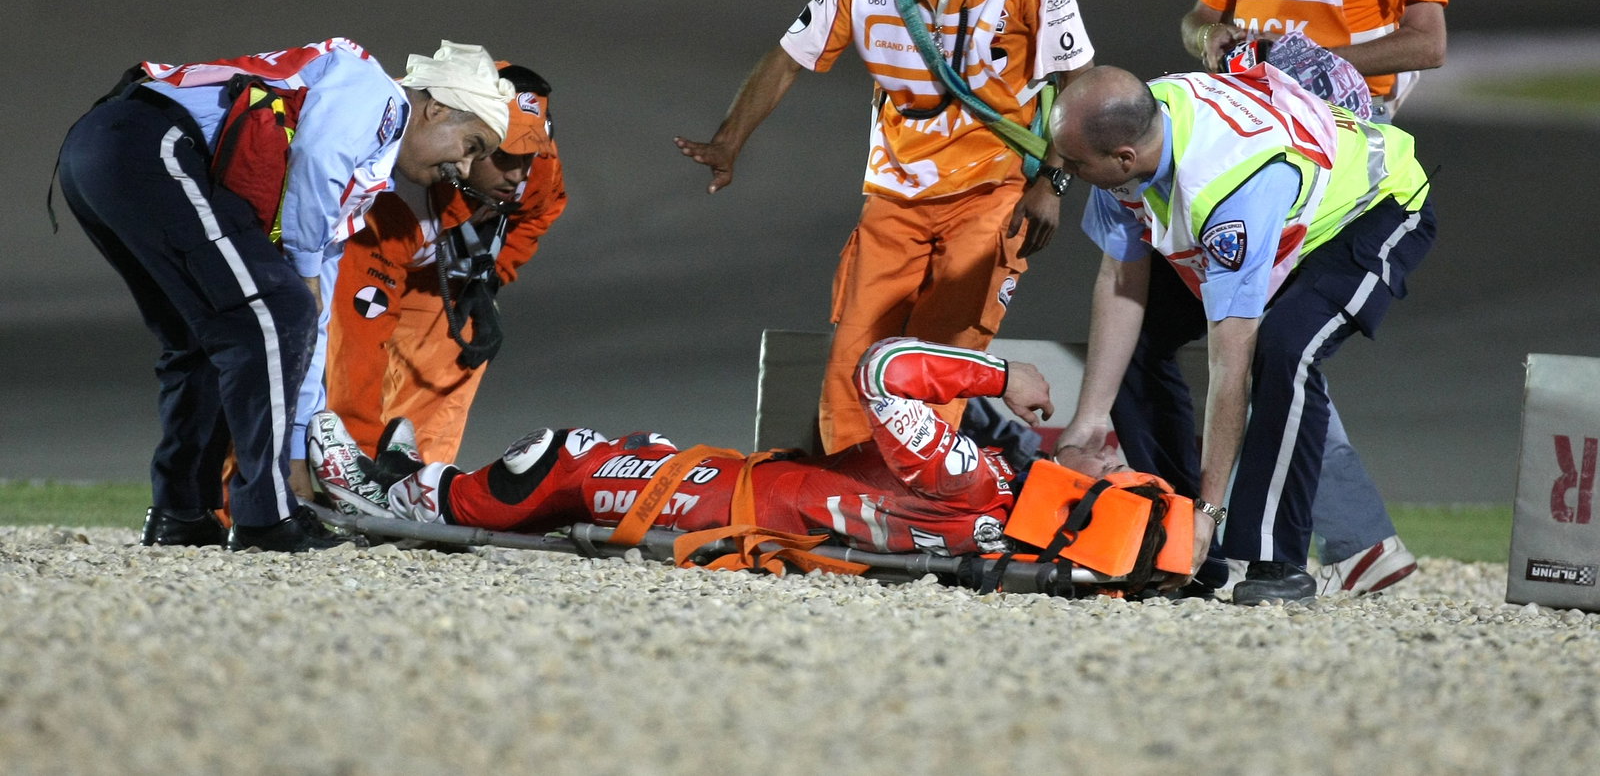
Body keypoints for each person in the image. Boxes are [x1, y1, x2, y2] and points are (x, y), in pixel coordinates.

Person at [675, 0, 1093, 455]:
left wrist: (1053, 182)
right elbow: (789, 56)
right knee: (856, 359)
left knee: (941, 352)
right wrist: (729, 141)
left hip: (991, 197)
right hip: (893, 198)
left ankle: (919, 499)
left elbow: (1081, 83)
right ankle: (846, 498)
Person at [1177, 0, 1449, 595]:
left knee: (1273, 344)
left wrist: (1322, 56)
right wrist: (1214, 38)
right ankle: (1358, 543)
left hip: (1337, 163)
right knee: (1255, 344)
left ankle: (1277, 546)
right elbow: (1195, 17)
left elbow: (1429, 43)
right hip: (1252, 148)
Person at [57, 37, 513, 552]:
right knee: (279, 308)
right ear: (435, 109)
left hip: (106, 152)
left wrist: (298, 452)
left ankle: (180, 512)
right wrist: (304, 277)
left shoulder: (359, 184)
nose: (468, 169)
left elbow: (313, 333)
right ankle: (263, 518)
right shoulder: (374, 92)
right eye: (472, 145)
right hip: (147, 143)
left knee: (209, 339)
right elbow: (317, 163)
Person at [311, 337, 1188, 591]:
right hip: (747, 489)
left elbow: (883, 372)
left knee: (561, 459)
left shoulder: (974, 482)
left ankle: (405, 495)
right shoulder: (1011, 531)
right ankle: (413, 483)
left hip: (726, 500)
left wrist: (1002, 373)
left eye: (1106, 472)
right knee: (599, 458)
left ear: (1090, 499)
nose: (1096, 456)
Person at [1046, 65, 1436, 605]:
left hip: (1369, 209)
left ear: (1122, 160)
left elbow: (1229, 365)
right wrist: (1089, 421)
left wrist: (1212, 509)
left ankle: (1276, 561)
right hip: (1278, 213)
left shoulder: (1226, 189)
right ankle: (1176, 542)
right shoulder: (1133, 122)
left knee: (1284, 351)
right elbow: (1120, 281)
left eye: (1071, 164)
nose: (1059, 172)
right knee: (1141, 341)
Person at [326, 62, 566, 464]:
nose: (519, 174)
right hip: (325, 256)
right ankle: (244, 508)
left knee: (453, 352)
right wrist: (360, 458)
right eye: (504, 155)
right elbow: (356, 344)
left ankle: (412, 487)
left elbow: (543, 209)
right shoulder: (390, 194)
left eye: (531, 153)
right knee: (302, 378)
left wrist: (491, 275)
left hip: (427, 263)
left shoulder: (534, 166)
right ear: (472, 137)